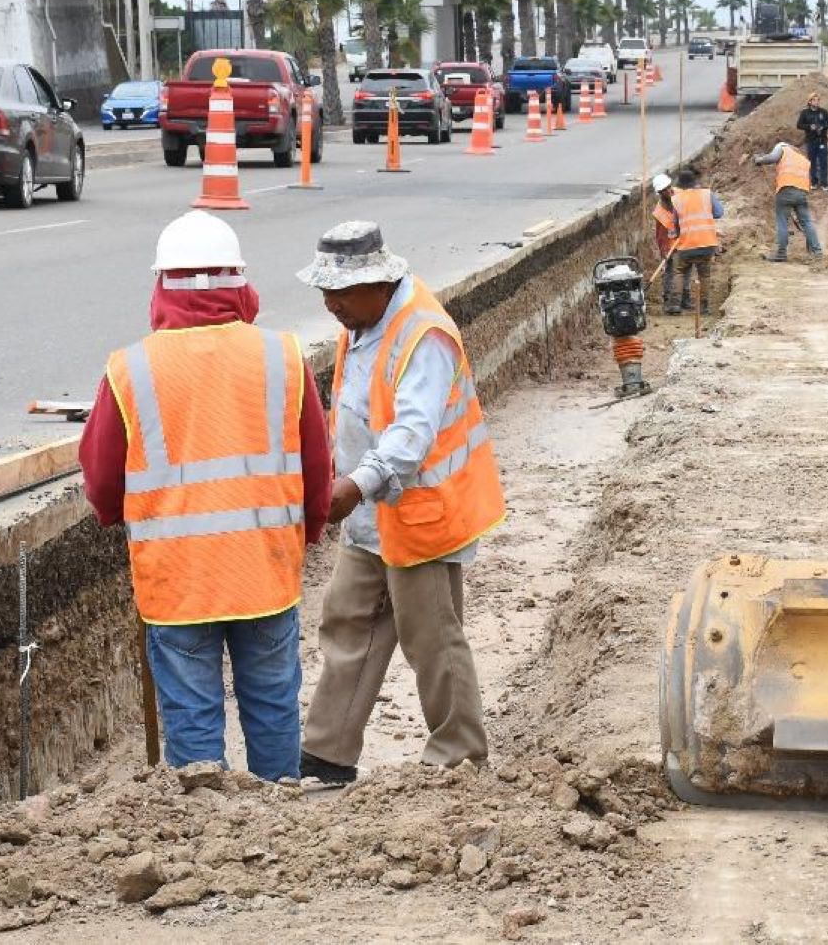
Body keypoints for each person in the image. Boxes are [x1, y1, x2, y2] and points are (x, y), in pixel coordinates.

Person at [79, 211, 331, 783]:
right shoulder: (282, 356)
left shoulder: (130, 367)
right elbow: (318, 465)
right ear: (240, 282)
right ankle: (279, 814)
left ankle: (205, 830)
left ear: (161, 285)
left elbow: (100, 480)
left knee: (191, 716)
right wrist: (307, 531)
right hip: (264, 569)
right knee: (271, 704)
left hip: (178, 580)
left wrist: (118, 515)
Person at [297, 221, 507, 783]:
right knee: (348, 625)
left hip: (423, 515)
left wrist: (353, 486)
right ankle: (327, 753)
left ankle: (458, 758)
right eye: (326, 294)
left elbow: (410, 436)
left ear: (376, 284)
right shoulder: (364, 322)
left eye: (339, 294)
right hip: (370, 514)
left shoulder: (424, 334)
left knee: (432, 639)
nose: (330, 305)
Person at [750, 141, 823, 261]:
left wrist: (759, 160)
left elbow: (772, 158)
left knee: (782, 221)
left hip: (785, 190)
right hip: (802, 192)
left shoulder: (782, 147)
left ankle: (781, 253)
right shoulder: (802, 158)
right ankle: (817, 252)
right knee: (806, 222)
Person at [669, 166, 725, 314]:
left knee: (679, 271)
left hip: (686, 244)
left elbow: (675, 224)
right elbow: (719, 213)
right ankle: (704, 307)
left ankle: (675, 304)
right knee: (704, 274)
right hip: (707, 243)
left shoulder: (677, 199)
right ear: (695, 181)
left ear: (681, 185)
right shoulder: (707, 194)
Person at [650, 173, 678, 307]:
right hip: (671, 245)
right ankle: (669, 300)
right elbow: (660, 235)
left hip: (684, 240)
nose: (669, 191)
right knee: (670, 270)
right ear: (660, 193)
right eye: (665, 190)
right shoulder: (659, 212)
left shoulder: (679, 195)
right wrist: (664, 251)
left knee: (684, 271)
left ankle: (683, 298)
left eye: (669, 187)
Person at [797, 91, 828, 188]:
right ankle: (814, 182)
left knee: (823, 162)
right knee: (812, 162)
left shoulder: (823, 112)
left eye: (818, 100)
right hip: (810, 141)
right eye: (814, 100)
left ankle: (824, 183)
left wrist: (823, 126)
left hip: (822, 140)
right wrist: (810, 127)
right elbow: (799, 125)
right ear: (809, 102)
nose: (816, 102)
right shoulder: (805, 113)